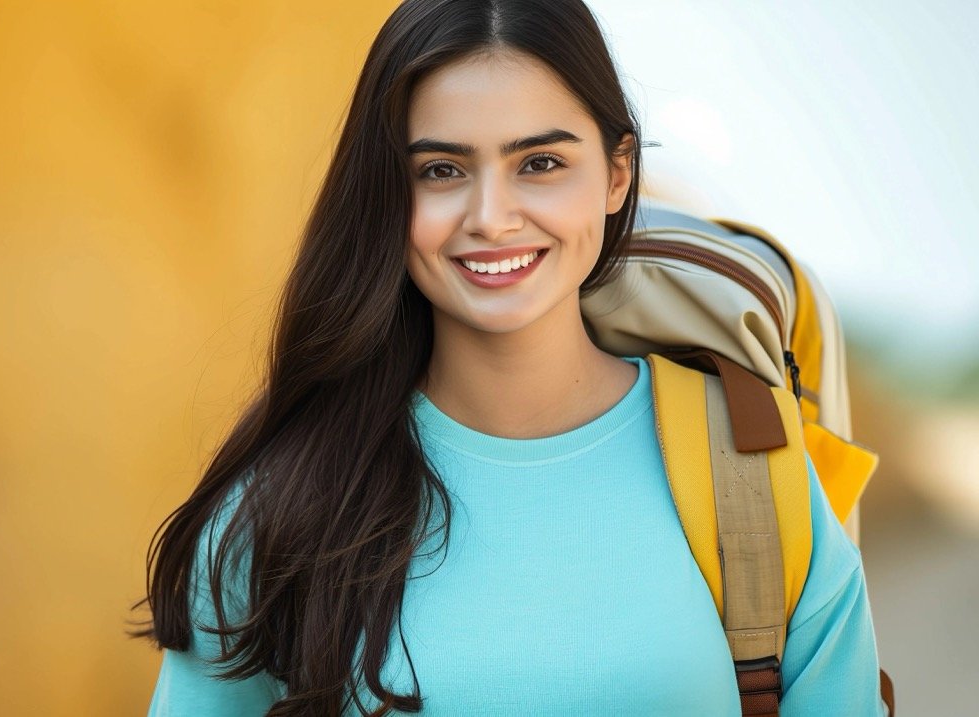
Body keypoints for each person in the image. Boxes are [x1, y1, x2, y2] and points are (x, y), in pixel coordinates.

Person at [138, 0, 885, 714]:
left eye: (540, 163)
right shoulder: (282, 508)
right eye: (441, 170)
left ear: (617, 173)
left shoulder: (748, 463)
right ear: (386, 191)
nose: (491, 217)